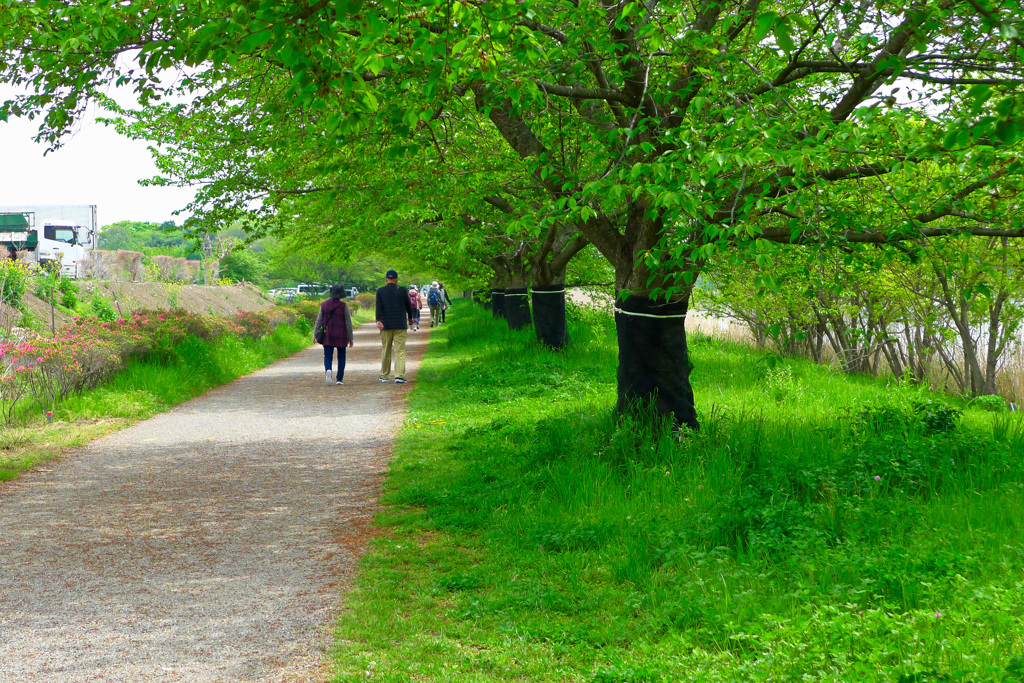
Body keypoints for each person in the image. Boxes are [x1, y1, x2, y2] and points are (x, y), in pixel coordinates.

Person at [375, 269, 415, 383]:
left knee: (386, 350)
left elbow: (379, 307)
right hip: (400, 325)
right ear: (397, 279)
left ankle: (384, 376)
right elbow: (409, 306)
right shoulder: (402, 290)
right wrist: (410, 318)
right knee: (400, 351)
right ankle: (399, 376)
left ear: (386, 279)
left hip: (385, 325)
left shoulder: (380, 291)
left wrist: (378, 320)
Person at [315, 284, 354, 385]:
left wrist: (315, 334)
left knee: (327, 356)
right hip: (341, 334)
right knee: (341, 356)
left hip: (327, 334)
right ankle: (339, 379)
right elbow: (348, 322)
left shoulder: (324, 305)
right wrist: (350, 337)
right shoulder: (343, 306)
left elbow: (318, 320)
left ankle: (328, 370)